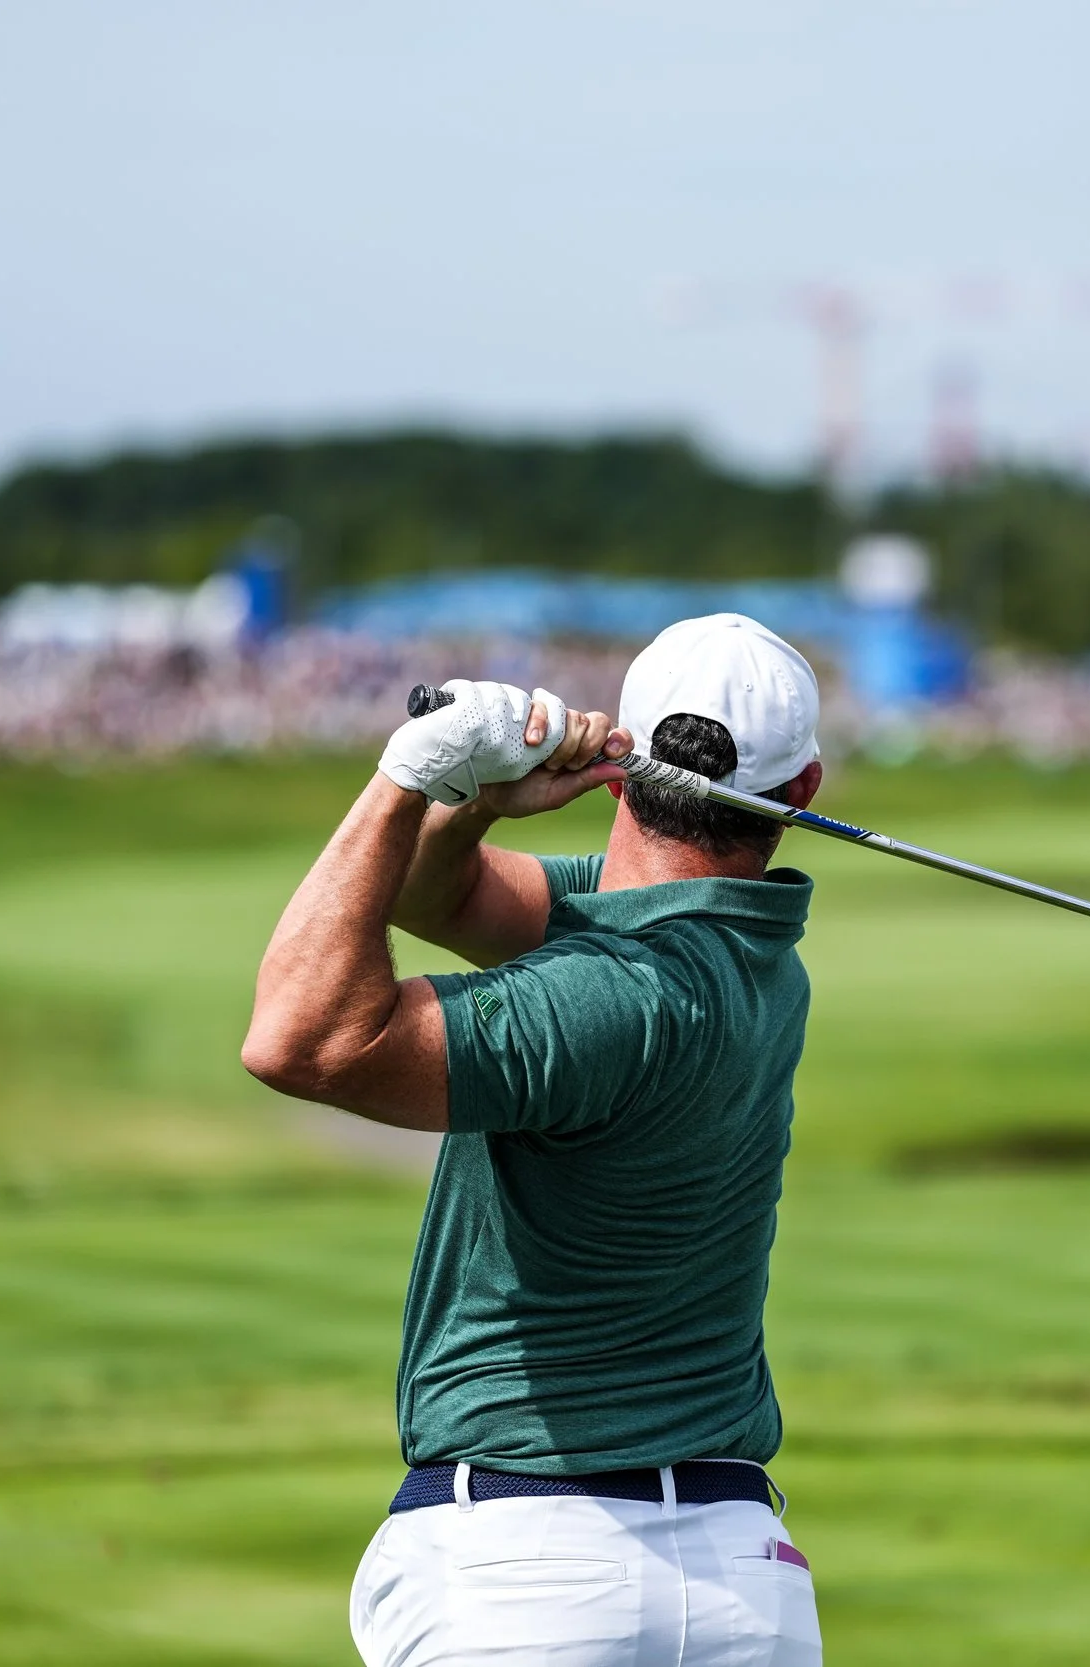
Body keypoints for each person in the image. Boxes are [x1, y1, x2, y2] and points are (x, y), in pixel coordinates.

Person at [243, 613, 829, 1666]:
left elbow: (298, 1037)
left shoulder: (603, 998)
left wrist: (406, 778)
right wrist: (477, 810)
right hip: (747, 1580)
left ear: (619, 770)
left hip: (530, 1573)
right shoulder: (750, 950)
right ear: (807, 789)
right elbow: (440, 893)